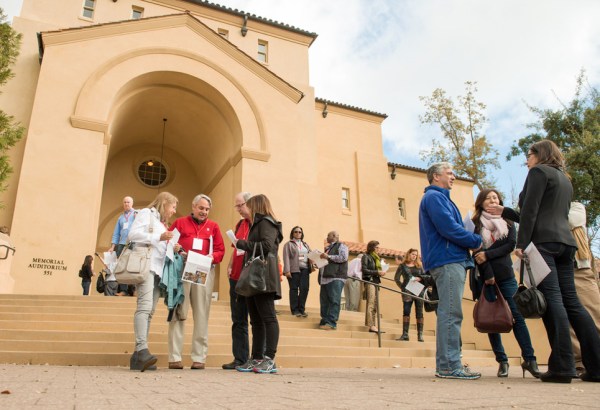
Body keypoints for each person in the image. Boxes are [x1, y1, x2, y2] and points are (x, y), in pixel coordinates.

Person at [487, 140, 600, 383]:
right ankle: (597, 366)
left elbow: (530, 212)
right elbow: (543, 213)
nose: (526, 160)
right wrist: (506, 211)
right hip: (566, 245)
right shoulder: (564, 179)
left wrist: (521, 244)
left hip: (544, 245)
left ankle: (562, 367)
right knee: (573, 304)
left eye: (529, 155)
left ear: (540, 155)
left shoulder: (538, 172)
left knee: (553, 302)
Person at [419, 162, 482, 380]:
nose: (454, 176)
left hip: (451, 259)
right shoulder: (434, 198)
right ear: (436, 177)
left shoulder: (442, 198)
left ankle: (450, 363)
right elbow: (448, 228)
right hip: (447, 260)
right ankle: (448, 366)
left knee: (451, 312)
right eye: (450, 173)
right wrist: (476, 240)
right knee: (451, 312)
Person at [471, 189, 538, 378]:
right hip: (485, 276)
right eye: (488, 198)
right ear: (481, 202)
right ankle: (502, 361)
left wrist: (488, 254)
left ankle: (530, 359)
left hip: (506, 275)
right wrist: (488, 273)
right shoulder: (475, 223)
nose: (492, 200)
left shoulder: (508, 221)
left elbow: (510, 245)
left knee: (517, 316)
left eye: (495, 197)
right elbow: (476, 252)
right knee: (491, 319)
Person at [167, 194, 224, 370]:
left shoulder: (213, 227)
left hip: (202, 269)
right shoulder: (180, 223)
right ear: (193, 206)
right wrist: (173, 247)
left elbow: (220, 250)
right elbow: (168, 242)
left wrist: (212, 256)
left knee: (201, 313)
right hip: (182, 267)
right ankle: (174, 357)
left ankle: (199, 357)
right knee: (179, 312)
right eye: (201, 208)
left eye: (207, 209)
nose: (204, 212)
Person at [127, 192, 178, 371]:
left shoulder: (160, 222)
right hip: (147, 266)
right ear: (164, 203)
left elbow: (159, 245)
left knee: (150, 311)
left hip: (158, 270)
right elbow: (132, 235)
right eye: (172, 207)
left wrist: (172, 246)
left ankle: (138, 356)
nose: (173, 211)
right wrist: (159, 238)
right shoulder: (146, 214)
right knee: (144, 307)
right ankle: (141, 349)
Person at [233, 194, 283, 374]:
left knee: (268, 317)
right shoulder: (257, 224)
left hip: (264, 276)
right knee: (255, 320)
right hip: (254, 278)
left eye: (250, 205)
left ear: (257, 206)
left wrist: (243, 244)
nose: (247, 208)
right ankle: (256, 358)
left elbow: (268, 246)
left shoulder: (267, 222)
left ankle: (269, 358)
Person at [568, 201, 600, 377]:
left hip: (580, 268)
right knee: (569, 321)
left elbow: (569, 222)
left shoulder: (576, 206)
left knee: (595, 312)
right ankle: (579, 363)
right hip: (559, 269)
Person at [222, 192, 252, 370]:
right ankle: (240, 358)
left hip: (251, 276)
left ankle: (256, 357)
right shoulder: (240, 223)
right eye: (237, 206)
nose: (239, 209)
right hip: (236, 276)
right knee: (238, 318)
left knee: (254, 318)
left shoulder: (258, 224)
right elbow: (235, 247)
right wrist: (230, 265)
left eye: (241, 205)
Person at [394, 248, 430, 342]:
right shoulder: (402, 266)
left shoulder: (419, 266)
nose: (414, 256)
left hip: (418, 290)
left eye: (416, 255)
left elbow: (426, 276)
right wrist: (402, 287)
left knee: (419, 312)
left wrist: (419, 278)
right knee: (406, 311)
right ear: (408, 254)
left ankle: (420, 335)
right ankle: (405, 334)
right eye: (413, 254)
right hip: (407, 291)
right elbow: (396, 278)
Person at [318, 231, 348, 330]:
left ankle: (331, 322)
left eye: (328, 235)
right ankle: (325, 320)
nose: (327, 237)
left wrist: (328, 256)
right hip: (325, 278)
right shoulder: (327, 248)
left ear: (335, 236)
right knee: (324, 301)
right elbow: (326, 262)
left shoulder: (342, 246)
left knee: (334, 300)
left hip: (336, 277)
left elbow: (343, 257)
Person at [282, 226, 313, 317]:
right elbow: (286, 258)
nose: (298, 233)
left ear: (302, 234)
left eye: (300, 232)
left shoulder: (305, 244)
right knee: (294, 289)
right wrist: (287, 271)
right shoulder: (288, 244)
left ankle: (301, 309)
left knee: (304, 289)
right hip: (293, 270)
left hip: (305, 269)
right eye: (296, 232)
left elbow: (310, 255)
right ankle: (295, 310)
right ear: (292, 233)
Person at [109, 196, 136, 296]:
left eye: (128, 202)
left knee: (133, 266)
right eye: (124, 202)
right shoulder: (120, 218)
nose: (126, 204)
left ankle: (133, 290)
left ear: (132, 203)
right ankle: (124, 290)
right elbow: (116, 233)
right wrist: (112, 247)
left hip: (133, 243)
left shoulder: (136, 214)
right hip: (122, 244)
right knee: (121, 267)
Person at [361, 241, 385, 333]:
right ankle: (371, 325)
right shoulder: (366, 256)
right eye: (377, 247)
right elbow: (364, 270)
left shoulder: (377, 258)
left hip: (376, 282)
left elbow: (376, 270)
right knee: (371, 303)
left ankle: (373, 325)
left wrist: (381, 272)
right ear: (372, 247)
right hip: (369, 281)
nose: (379, 249)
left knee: (375, 304)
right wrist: (377, 272)